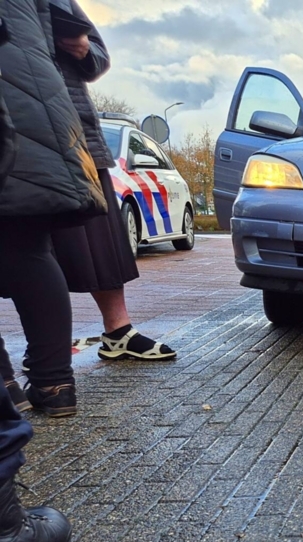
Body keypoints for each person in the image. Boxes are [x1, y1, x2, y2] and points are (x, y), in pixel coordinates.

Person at [0, 0, 87, 542]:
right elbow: (83, 39)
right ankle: (52, 384)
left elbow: (88, 45)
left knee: (25, 249)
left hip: (20, 99)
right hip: (25, 96)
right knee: (27, 248)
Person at [44, 0, 177, 364]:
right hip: (21, 136)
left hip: (78, 136)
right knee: (28, 248)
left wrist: (87, 50)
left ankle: (118, 331)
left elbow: (98, 54)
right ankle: (43, 352)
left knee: (100, 240)